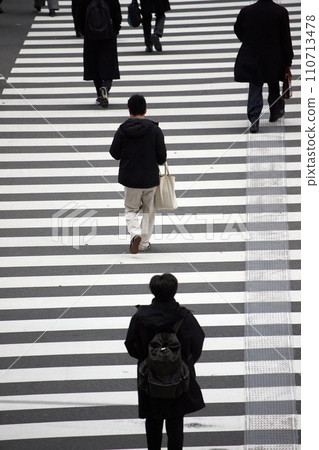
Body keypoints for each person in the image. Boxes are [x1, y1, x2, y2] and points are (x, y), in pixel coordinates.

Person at [125, 273, 205, 450]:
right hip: (178, 376)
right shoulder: (184, 317)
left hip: (149, 376)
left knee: (153, 421)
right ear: (174, 291)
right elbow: (197, 342)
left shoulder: (140, 317)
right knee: (175, 422)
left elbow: (131, 345)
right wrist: (186, 362)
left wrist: (148, 360)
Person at [109, 94, 167, 254]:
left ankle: (135, 234)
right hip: (150, 178)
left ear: (129, 111)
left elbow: (114, 153)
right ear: (145, 110)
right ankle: (144, 243)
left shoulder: (123, 129)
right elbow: (162, 157)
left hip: (130, 178)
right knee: (149, 210)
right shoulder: (155, 130)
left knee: (130, 209)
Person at [234, 0, 294, 133]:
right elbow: (285, 37)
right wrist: (288, 58)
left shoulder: (247, 11)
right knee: (273, 84)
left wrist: (248, 40)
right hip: (274, 54)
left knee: (255, 85)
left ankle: (254, 119)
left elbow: (238, 29)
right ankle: (275, 111)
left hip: (253, 54)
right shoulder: (280, 12)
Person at [78, 0, 122, 107]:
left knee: (94, 64)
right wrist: (115, 30)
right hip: (108, 33)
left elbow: (78, 12)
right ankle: (106, 86)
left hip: (90, 34)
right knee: (109, 63)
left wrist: (84, 31)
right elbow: (117, 13)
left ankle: (99, 93)